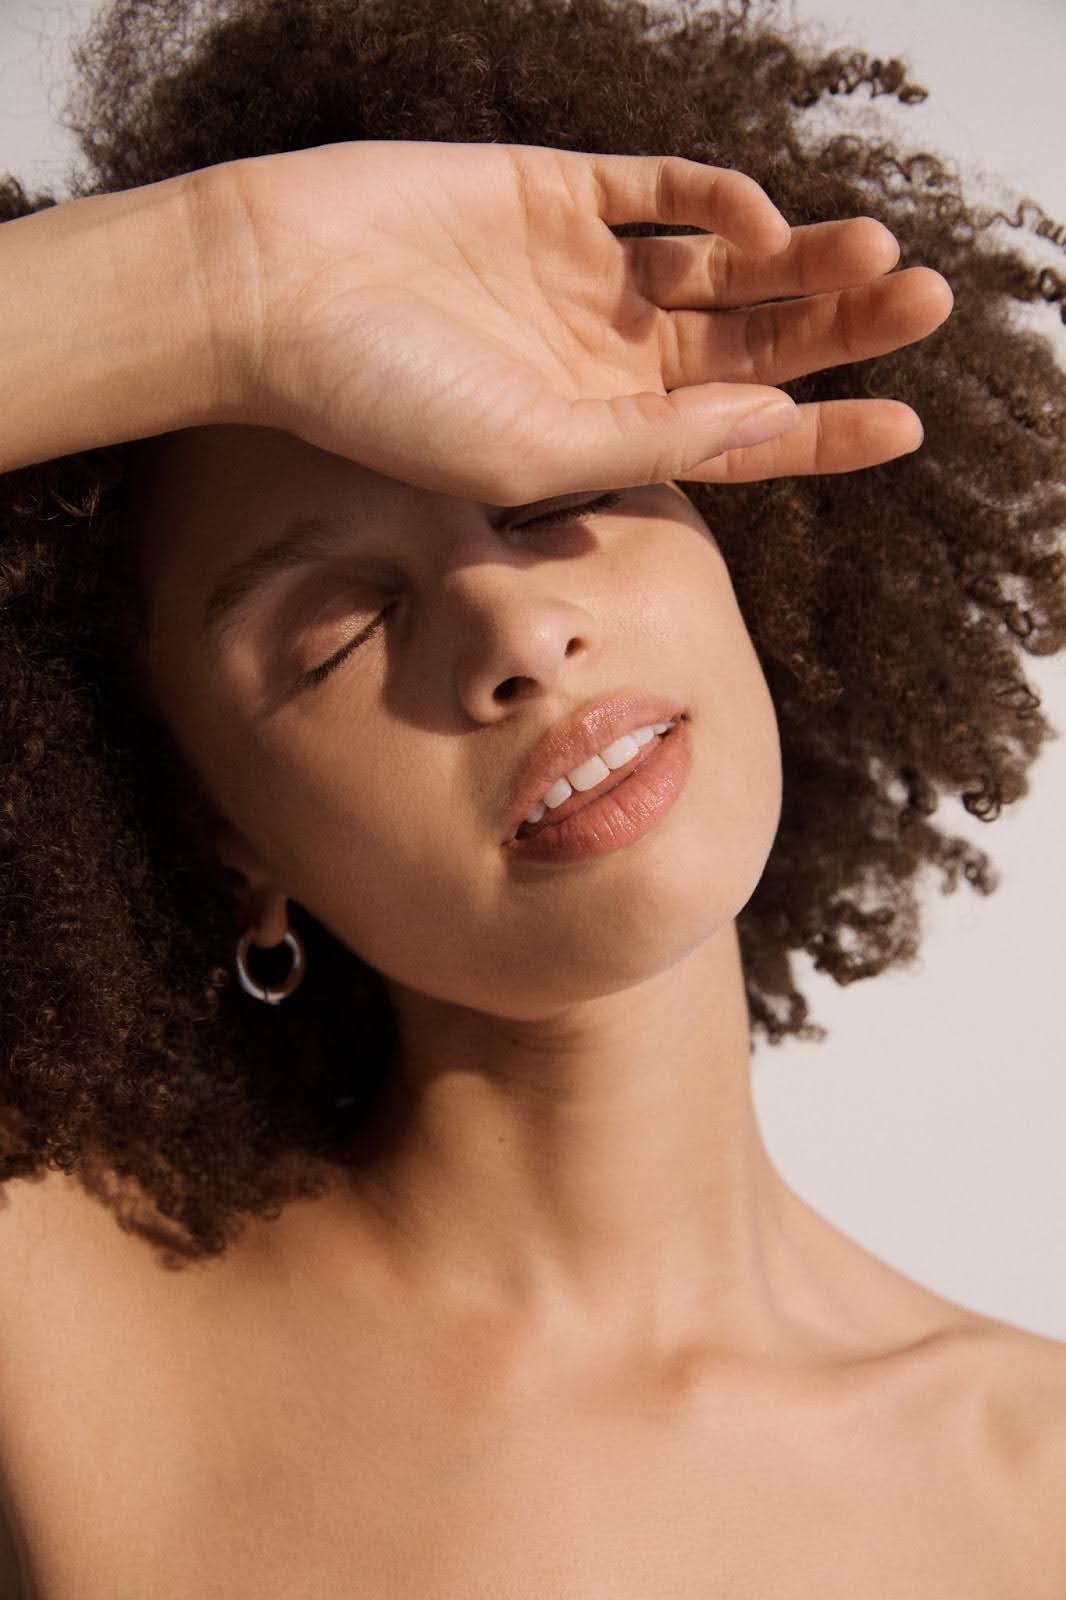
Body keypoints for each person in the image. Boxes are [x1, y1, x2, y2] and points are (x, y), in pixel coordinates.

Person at [1, 0, 1064, 1594]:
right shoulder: (53, 1302)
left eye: (564, 496)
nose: (513, 632)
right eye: (341, 628)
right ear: (222, 842)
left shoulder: (1032, 1485)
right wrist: (224, 283)